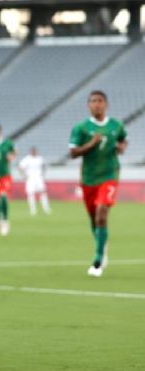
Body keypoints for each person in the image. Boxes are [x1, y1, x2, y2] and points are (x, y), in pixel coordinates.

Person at [69, 90, 127, 278]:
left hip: (109, 175)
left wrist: (121, 148)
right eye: (93, 101)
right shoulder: (81, 128)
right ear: (88, 106)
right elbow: (73, 153)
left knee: (102, 213)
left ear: (106, 104)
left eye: (100, 101)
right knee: (95, 220)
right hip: (88, 179)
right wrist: (91, 144)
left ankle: (98, 258)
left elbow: (123, 140)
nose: (97, 104)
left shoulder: (116, 125)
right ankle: (102, 243)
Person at [18, 147, 51, 216]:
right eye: (33, 151)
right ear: (31, 152)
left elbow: (44, 167)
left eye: (35, 151)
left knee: (43, 193)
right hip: (30, 178)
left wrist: (43, 174)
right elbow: (20, 167)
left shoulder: (40, 159)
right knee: (31, 194)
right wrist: (23, 175)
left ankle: (46, 209)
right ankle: (33, 210)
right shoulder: (27, 159)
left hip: (39, 178)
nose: (34, 152)